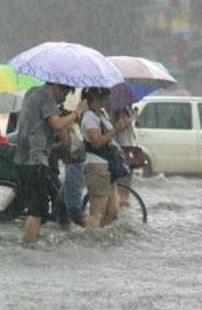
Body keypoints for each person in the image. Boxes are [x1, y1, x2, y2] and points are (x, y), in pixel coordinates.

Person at [14, 83, 88, 245]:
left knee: (36, 207)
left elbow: (40, 124)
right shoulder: (46, 96)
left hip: (23, 158)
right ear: (57, 87)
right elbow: (57, 123)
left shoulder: (32, 91)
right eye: (66, 92)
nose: (64, 97)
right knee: (38, 210)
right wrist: (77, 112)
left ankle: (30, 243)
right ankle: (28, 246)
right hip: (35, 160)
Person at [81, 88, 129, 228]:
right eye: (105, 96)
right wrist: (115, 130)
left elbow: (109, 139)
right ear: (96, 97)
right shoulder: (89, 117)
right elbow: (96, 141)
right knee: (97, 213)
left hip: (108, 166)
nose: (108, 99)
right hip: (97, 166)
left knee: (112, 210)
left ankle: (100, 241)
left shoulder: (101, 115)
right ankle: (90, 240)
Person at [54, 106, 87, 229]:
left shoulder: (64, 126)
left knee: (75, 212)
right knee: (60, 206)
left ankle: (94, 236)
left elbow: (66, 143)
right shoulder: (76, 124)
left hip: (73, 165)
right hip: (78, 164)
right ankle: (66, 234)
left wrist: (51, 147)